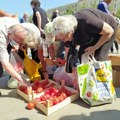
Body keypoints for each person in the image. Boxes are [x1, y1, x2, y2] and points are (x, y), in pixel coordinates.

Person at [51, 8, 117, 64]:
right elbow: (68, 48)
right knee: (82, 56)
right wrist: (66, 61)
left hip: (108, 30)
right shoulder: (66, 32)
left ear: (70, 31)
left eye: (64, 38)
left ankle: (100, 78)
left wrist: (95, 47)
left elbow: (109, 31)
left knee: (98, 59)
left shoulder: (86, 21)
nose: (63, 40)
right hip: (91, 33)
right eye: (61, 39)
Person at [0, 17, 42, 94]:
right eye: (17, 42)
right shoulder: (1, 37)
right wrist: (23, 81)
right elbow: (5, 64)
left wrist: (17, 44)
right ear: (9, 35)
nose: (18, 45)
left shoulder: (16, 24)